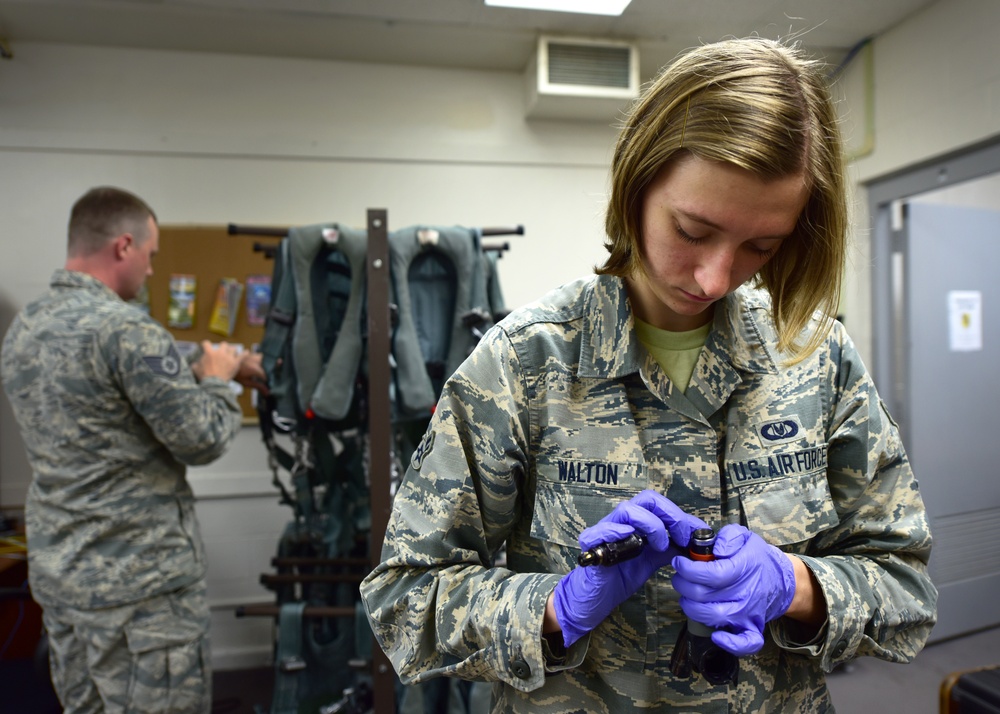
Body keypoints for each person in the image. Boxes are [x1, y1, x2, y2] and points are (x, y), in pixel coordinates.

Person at [359, 37, 938, 713]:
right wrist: (556, 607)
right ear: (637, 184)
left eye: (762, 246)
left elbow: (906, 594)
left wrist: (792, 584)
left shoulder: (817, 358)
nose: (717, 277)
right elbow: (403, 600)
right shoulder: (523, 363)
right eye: (693, 230)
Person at [1, 186, 267, 713]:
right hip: (141, 593)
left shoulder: (26, 327)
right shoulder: (126, 328)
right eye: (150, 255)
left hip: (65, 581)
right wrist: (218, 378)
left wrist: (190, 371)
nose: (150, 270)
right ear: (124, 246)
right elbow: (204, 438)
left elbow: (105, 403)